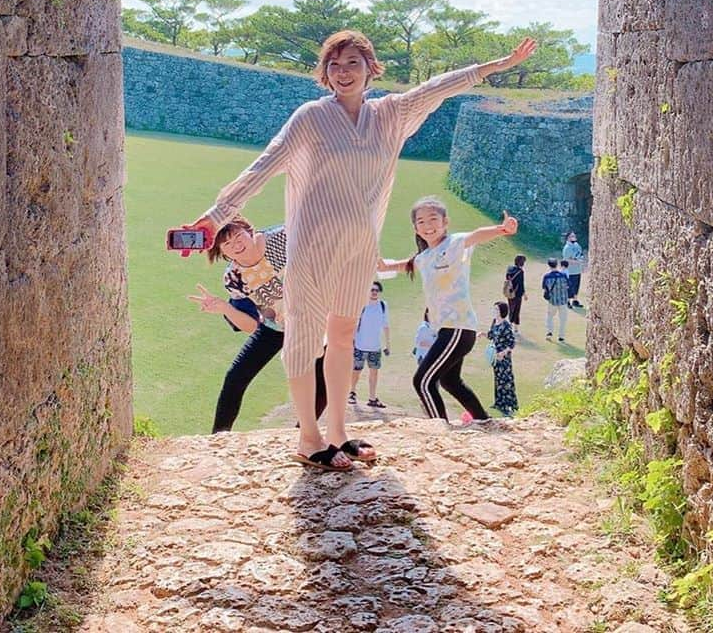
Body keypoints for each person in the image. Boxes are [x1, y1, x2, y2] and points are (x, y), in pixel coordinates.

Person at [182, 29, 537, 470]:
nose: (343, 72)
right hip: (311, 245)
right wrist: (216, 217)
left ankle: (338, 431)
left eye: (353, 63)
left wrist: (493, 67)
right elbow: (264, 165)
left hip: (358, 247)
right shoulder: (310, 117)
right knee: (305, 339)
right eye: (334, 64)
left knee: (343, 337)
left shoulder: (390, 114)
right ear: (324, 73)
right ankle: (309, 439)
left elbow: (436, 89)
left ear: (371, 68)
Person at [188, 217, 374, 466]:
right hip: (275, 327)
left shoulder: (281, 238)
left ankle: (315, 438)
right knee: (235, 377)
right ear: (221, 252)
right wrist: (223, 307)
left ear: (249, 230)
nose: (235, 245)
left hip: (314, 320)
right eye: (226, 244)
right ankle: (218, 441)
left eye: (238, 236)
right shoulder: (233, 277)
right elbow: (252, 325)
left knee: (323, 378)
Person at [381, 197, 519, 423]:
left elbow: (475, 235)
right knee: (449, 381)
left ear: (446, 222)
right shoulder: (424, 257)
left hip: (458, 327)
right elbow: (405, 265)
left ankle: (439, 428)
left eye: (433, 219)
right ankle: (483, 421)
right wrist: (384, 266)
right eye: (421, 221)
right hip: (446, 330)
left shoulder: (454, 244)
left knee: (423, 381)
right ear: (415, 227)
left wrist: (502, 229)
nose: (428, 226)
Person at [350, 281, 391, 409]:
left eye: (377, 290)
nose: (374, 292)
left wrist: (388, 344)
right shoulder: (362, 306)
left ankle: (372, 398)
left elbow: (386, 326)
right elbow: (354, 325)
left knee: (374, 373)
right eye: (372, 290)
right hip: (360, 345)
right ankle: (352, 392)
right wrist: (352, 342)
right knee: (356, 371)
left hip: (375, 347)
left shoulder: (383, 306)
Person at [486, 301, 518, 416]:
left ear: (502, 311)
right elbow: (491, 335)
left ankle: (508, 406)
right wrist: (482, 334)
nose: (494, 312)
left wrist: (503, 353)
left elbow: (512, 343)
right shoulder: (494, 322)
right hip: (495, 357)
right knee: (498, 380)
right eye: (494, 309)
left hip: (504, 358)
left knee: (506, 381)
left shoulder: (506, 325)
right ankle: (499, 403)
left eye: (496, 310)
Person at [542, 258, 570, 342]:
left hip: (552, 300)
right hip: (563, 300)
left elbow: (544, 288)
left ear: (549, 265)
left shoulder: (547, 277)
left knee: (550, 316)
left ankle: (549, 332)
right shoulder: (563, 275)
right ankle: (561, 336)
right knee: (563, 319)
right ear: (557, 265)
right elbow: (568, 286)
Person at [562, 231, 585, 309]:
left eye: (574, 236)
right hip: (570, 271)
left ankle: (575, 300)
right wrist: (577, 261)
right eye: (572, 236)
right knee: (570, 286)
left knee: (576, 286)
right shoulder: (567, 248)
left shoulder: (577, 245)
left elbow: (581, 254)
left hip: (577, 270)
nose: (574, 237)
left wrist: (579, 261)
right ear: (568, 238)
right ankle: (567, 301)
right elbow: (567, 259)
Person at [505, 254, 527, 332]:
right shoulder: (520, 272)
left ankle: (510, 325)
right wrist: (524, 294)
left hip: (509, 292)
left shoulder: (509, 268)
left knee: (511, 308)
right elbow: (521, 284)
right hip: (517, 293)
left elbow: (507, 278)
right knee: (517, 310)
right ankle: (515, 327)